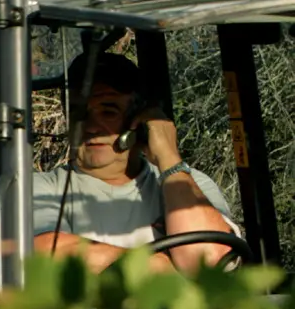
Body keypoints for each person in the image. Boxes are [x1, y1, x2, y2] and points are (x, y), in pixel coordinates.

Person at [32, 51, 242, 274]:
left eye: (108, 112)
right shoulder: (38, 188)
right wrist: (166, 268)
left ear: (139, 120)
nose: (91, 127)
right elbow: (48, 255)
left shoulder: (190, 184)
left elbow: (213, 261)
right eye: (79, 113)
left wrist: (169, 159)